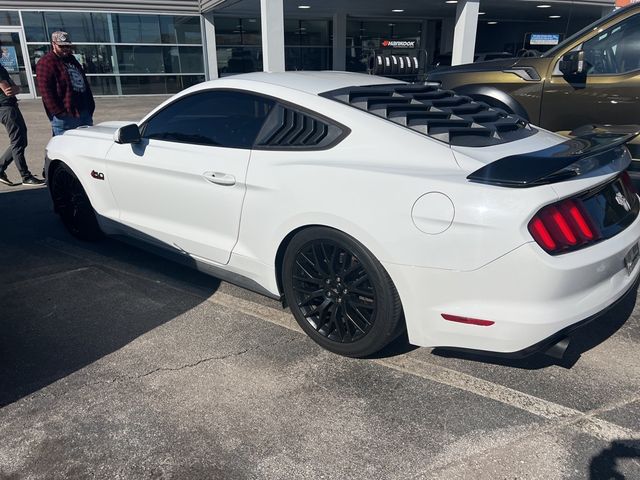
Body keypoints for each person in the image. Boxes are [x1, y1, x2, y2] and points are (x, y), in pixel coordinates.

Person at [36, 31, 95, 136]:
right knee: (64, 148)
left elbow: (84, 82)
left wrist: (90, 105)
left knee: (86, 146)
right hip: (65, 116)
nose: (66, 49)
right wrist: (59, 112)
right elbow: (45, 91)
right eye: (62, 46)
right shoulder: (46, 62)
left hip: (84, 111)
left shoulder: (72, 60)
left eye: (68, 46)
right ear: (53, 44)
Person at [0, 53, 44, 186]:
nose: (2, 52)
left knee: (21, 140)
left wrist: (15, 88)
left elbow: (16, 89)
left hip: (9, 107)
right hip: (6, 108)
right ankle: (25, 176)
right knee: (18, 141)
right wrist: (13, 88)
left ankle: (0, 168)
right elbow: (8, 90)